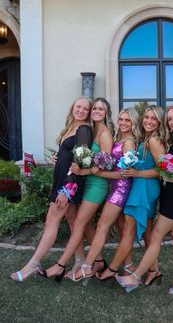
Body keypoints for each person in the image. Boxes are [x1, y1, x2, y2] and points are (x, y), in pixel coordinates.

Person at [116, 104, 173, 293]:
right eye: (170, 119)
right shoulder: (172, 140)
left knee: (156, 234)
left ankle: (135, 277)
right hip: (167, 194)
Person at [10, 97, 94, 281]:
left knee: (51, 221)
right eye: (78, 106)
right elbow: (69, 153)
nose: (80, 110)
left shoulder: (84, 129)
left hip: (69, 184)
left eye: (85, 109)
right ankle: (80, 260)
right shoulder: (71, 128)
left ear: (88, 113)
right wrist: (58, 156)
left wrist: (66, 190)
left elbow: (83, 160)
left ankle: (33, 264)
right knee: (72, 222)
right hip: (62, 181)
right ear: (73, 108)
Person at [43, 97, 114, 281]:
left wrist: (83, 171)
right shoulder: (91, 130)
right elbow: (80, 155)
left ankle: (60, 265)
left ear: (106, 113)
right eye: (95, 109)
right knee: (86, 224)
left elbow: (105, 166)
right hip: (85, 182)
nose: (97, 111)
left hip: (96, 185)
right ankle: (98, 261)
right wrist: (60, 158)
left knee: (79, 224)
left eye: (101, 109)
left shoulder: (105, 133)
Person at [68, 108, 141, 281]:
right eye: (121, 119)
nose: (123, 123)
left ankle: (87, 267)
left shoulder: (129, 143)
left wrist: (100, 174)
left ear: (133, 124)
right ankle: (129, 266)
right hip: (113, 189)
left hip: (120, 191)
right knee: (121, 228)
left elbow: (125, 174)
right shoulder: (119, 138)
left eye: (127, 121)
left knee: (101, 226)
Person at [99, 105, 165, 285]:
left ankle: (111, 269)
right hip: (141, 185)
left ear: (159, 122)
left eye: (153, 119)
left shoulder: (154, 140)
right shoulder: (146, 138)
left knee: (128, 231)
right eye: (147, 117)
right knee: (147, 231)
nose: (149, 121)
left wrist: (138, 173)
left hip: (144, 186)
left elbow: (162, 170)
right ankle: (153, 270)